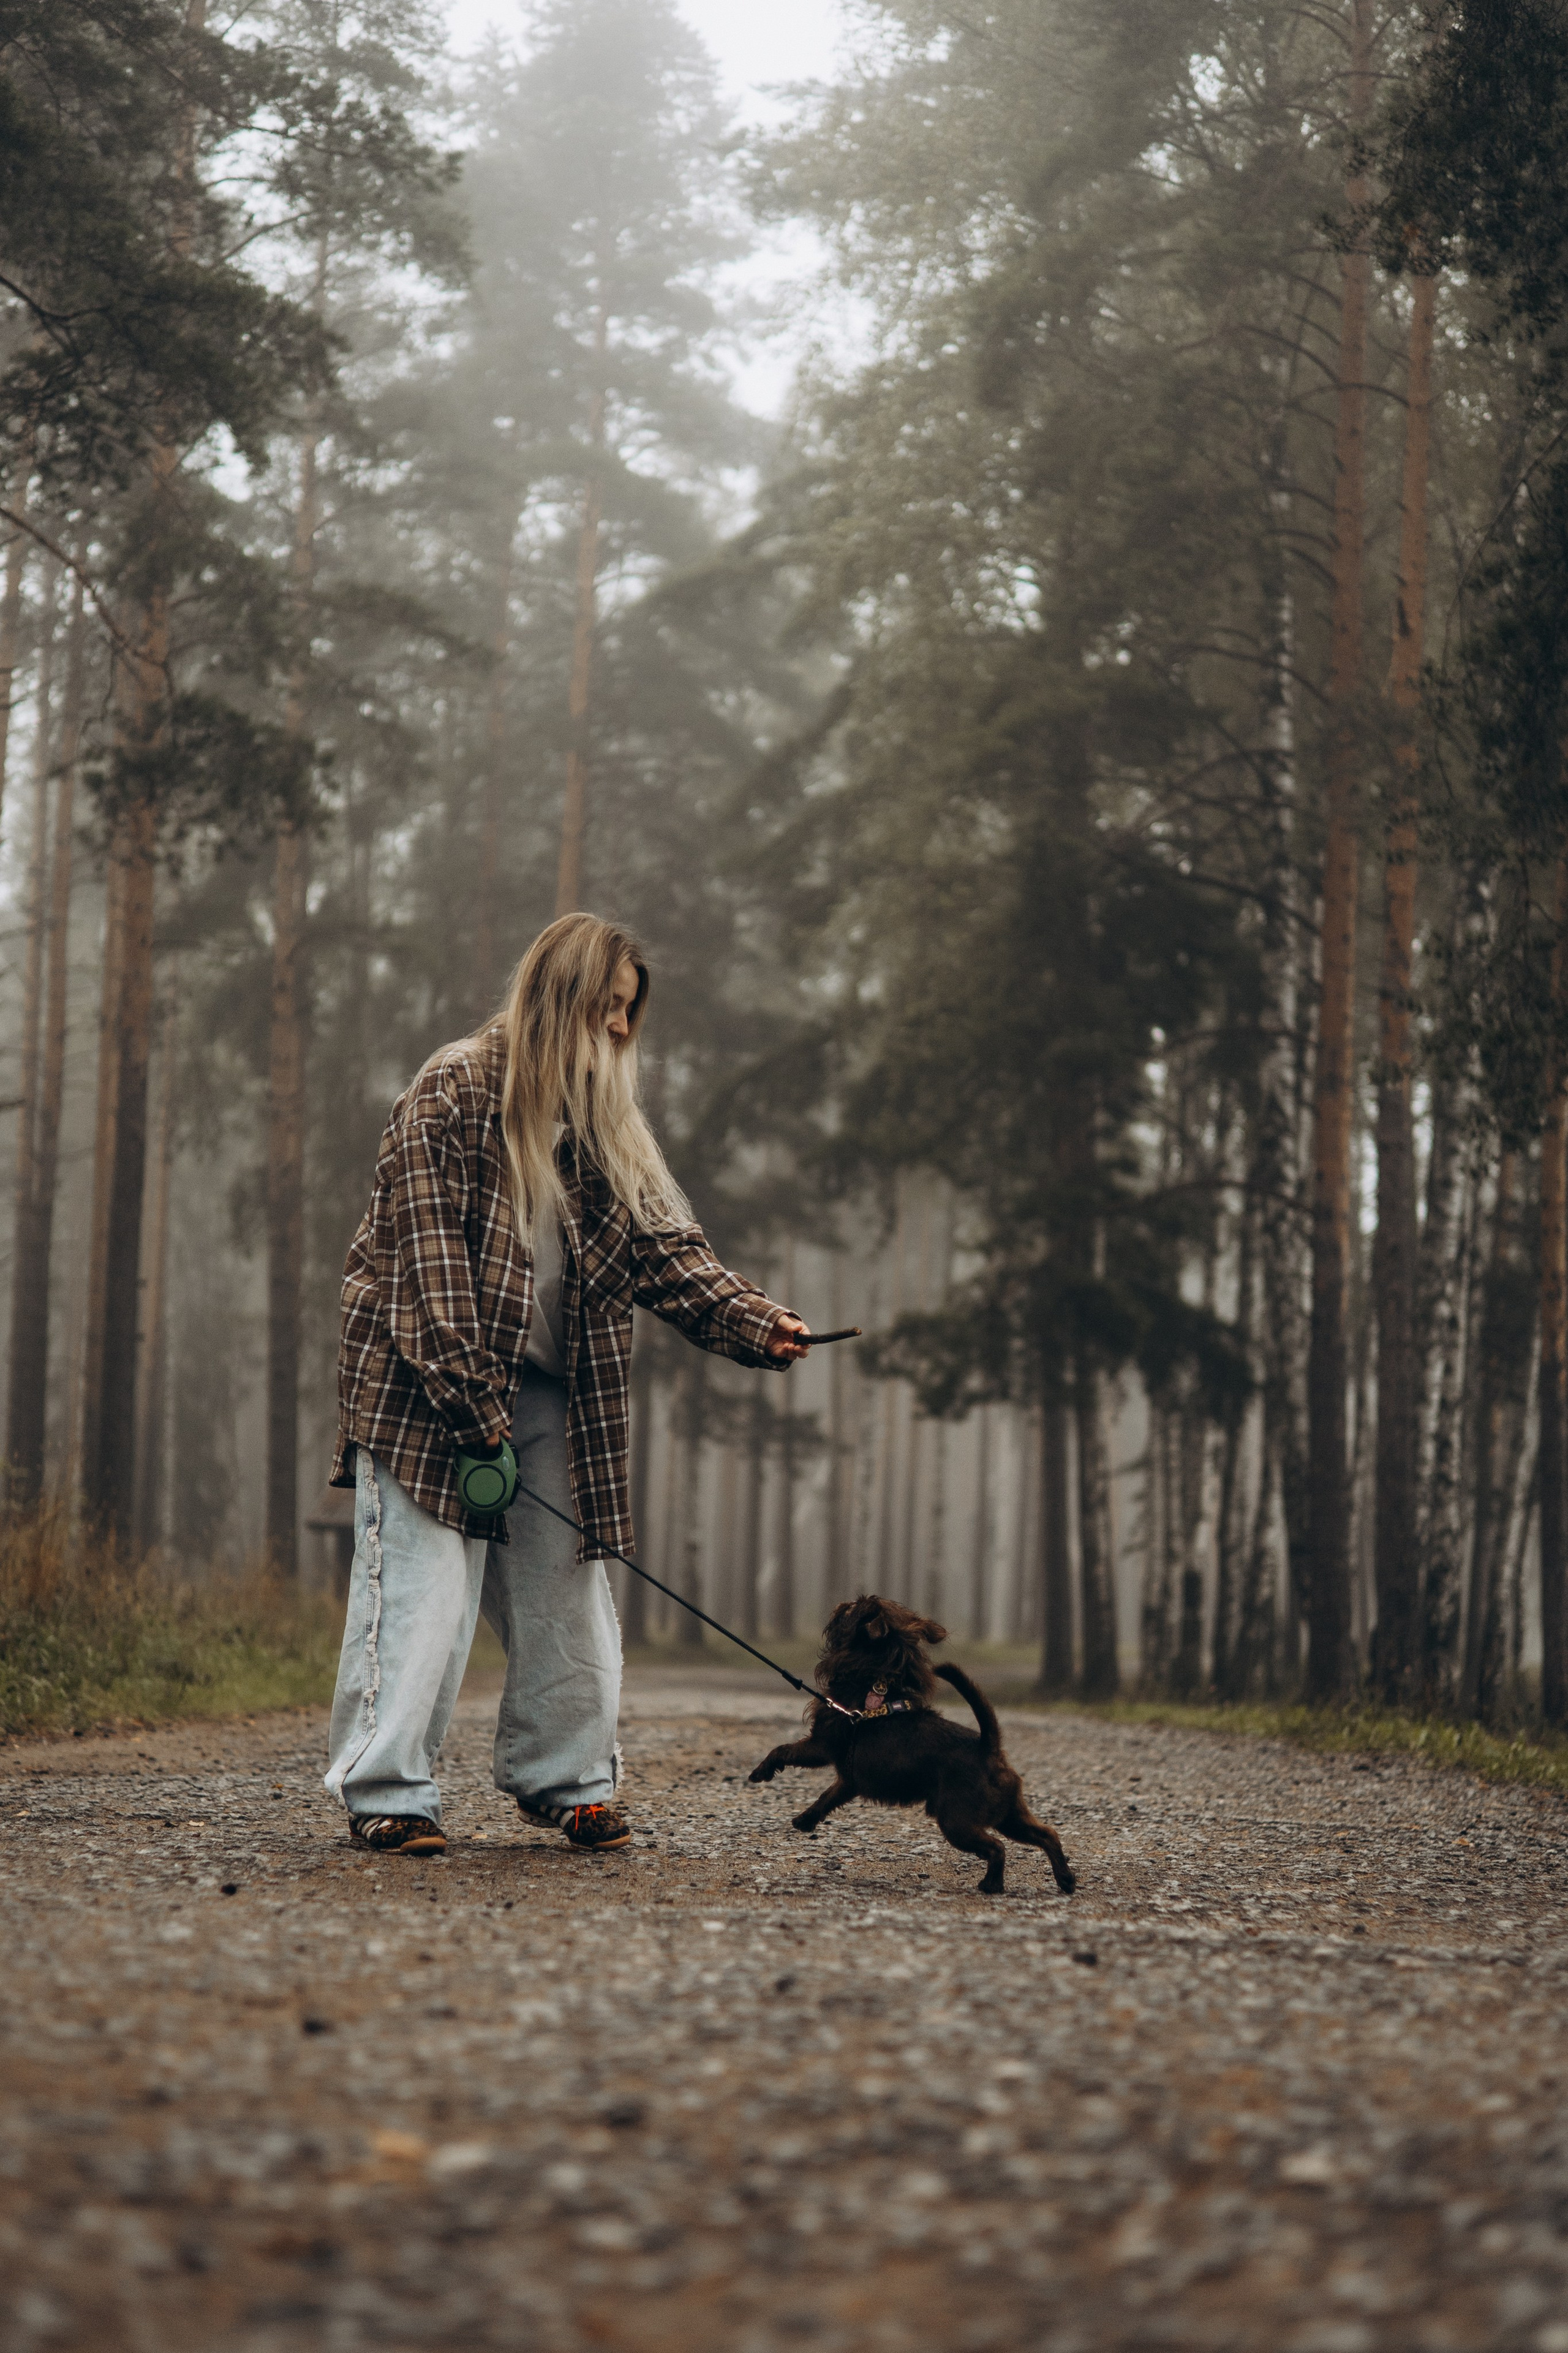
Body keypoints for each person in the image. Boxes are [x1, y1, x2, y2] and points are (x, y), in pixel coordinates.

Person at [323, 912, 807, 1856]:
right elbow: (428, 1275)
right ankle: (388, 1790)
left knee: (568, 1586)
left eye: (631, 1012)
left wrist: (755, 1319)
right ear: (563, 995)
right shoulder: (451, 1089)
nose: (623, 1029)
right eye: (611, 1006)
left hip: (549, 1391)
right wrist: (474, 1415)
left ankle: (570, 1781)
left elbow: (668, 1253)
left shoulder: (600, 1122)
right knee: (426, 1594)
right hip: (424, 1381)